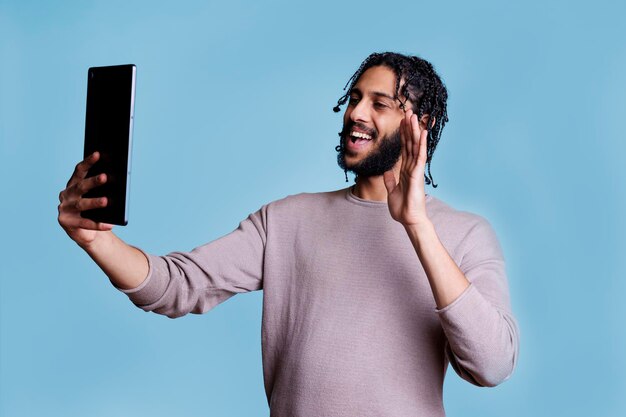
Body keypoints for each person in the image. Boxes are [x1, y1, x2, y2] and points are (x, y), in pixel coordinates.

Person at [58, 52, 519, 417]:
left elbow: (491, 365)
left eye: (379, 104)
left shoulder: (464, 234)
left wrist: (417, 226)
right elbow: (176, 285)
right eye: (354, 98)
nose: (356, 113)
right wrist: (97, 240)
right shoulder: (286, 220)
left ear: (421, 124)